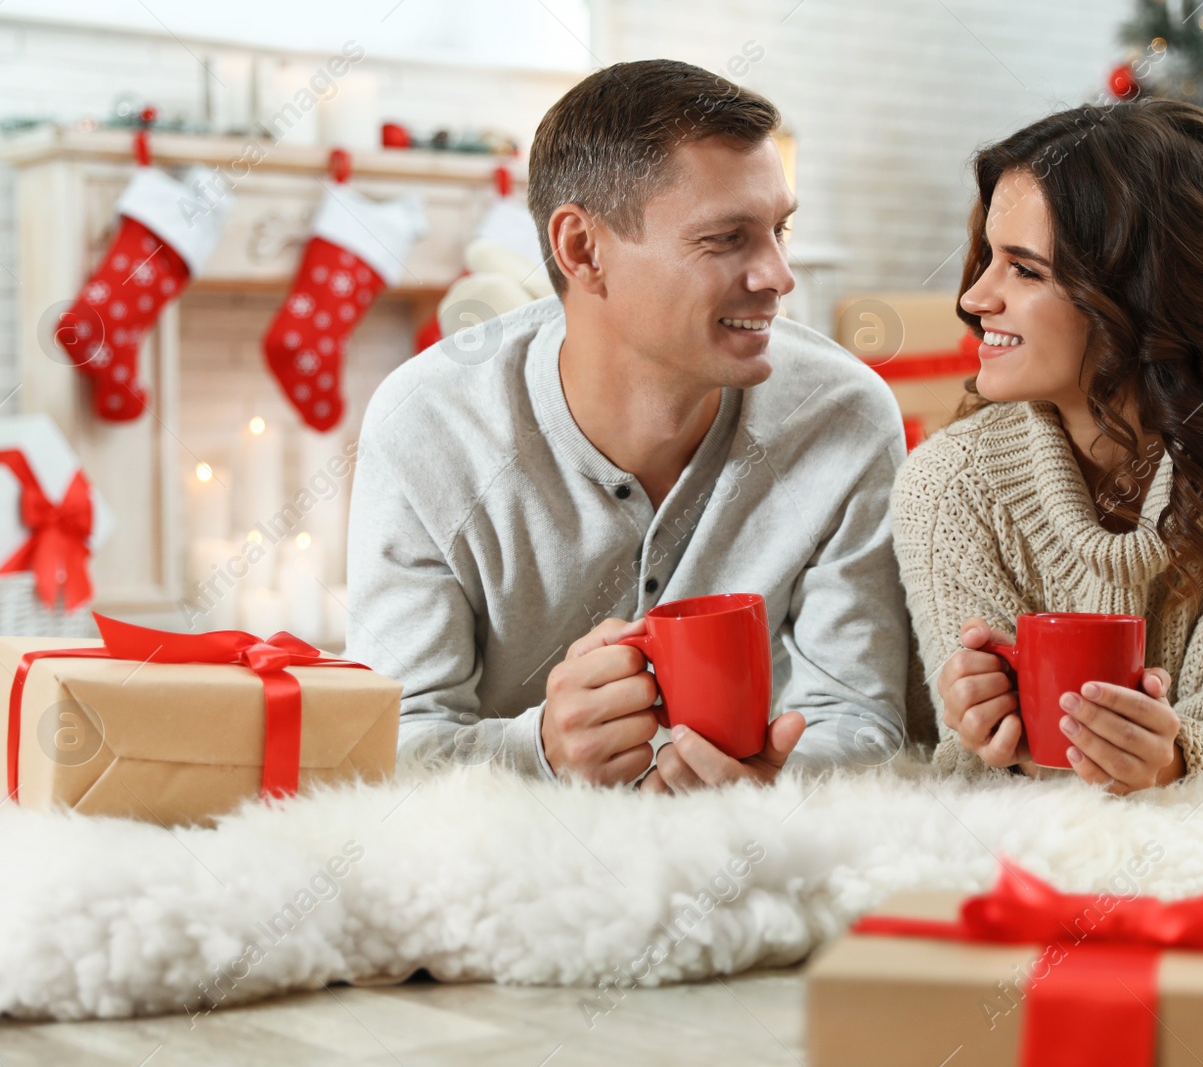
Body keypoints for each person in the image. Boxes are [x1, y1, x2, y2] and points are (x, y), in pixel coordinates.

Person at [346, 59, 908, 792]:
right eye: (727, 238)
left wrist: (771, 781)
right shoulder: (426, 426)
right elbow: (387, 743)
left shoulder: (846, 417)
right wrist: (542, 746)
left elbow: (862, 723)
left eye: (779, 229)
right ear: (583, 250)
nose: (778, 275)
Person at [892, 98, 1203, 793]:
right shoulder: (948, 485)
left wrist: (1177, 759)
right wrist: (983, 725)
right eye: (987, 259)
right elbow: (988, 763)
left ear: (1145, 295)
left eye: (1025, 269)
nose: (975, 297)